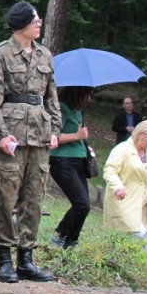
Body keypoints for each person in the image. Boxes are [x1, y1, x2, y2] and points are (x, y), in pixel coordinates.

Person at [0, 1, 60, 283]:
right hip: (13, 135)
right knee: (5, 197)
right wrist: (1, 134)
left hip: (39, 135)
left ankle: (26, 257)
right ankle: (4, 257)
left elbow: (51, 94)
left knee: (34, 198)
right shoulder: (0, 54)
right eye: (35, 20)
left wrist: (55, 128)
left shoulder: (45, 55)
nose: (39, 24)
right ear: (21, 24)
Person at [102, 120, 147, 245]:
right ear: (141, 134)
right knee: (136, 236)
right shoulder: (122, 149)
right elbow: (109, 170)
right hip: (123, 201)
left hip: (144, 204)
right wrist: (117, 186)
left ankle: (140, 265)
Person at [48, 86, 94, 249]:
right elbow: (52, 136)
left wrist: (85, 146)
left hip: (79, 160)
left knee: (85, 205)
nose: (90, 98)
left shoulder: (78, 110)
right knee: (81, 203)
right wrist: (77, 136)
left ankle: (71, 240)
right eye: (89, 94)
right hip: (62, 161)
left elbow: (80, 135)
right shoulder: (62, 108)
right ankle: (59, 235)